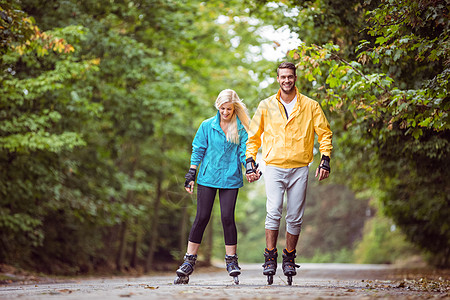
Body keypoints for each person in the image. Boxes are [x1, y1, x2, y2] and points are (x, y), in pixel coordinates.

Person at [245, 62, 333, 285]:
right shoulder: (266, 106)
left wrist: (325, 159)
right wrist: (249, 160)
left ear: (295, 78)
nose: (286, 80)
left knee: (295, 216)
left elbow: (324, 133)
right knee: (273, 210)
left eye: (290, 77)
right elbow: (254, 136)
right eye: (283, 77)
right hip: (273, 166)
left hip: (300, 167)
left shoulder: (311, 106)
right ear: (278, 79)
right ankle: (270, 256)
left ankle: (289, 258)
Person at [174, 89, 250, 285]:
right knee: (202, 217)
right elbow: (198, 149)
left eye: (229, 109)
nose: (225, 112)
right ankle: (189, 261)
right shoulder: (207, 125)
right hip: (207, 177)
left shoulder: (240, 128)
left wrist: (250, 167)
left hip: (231, 178)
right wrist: (191, 173)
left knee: (227, 218)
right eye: (223, 108)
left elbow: (244, 152)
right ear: (218, 106)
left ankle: (231, 261)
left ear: (235, 108)